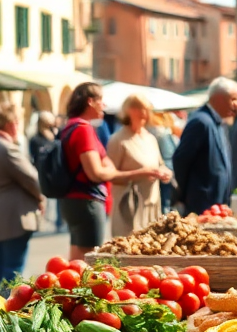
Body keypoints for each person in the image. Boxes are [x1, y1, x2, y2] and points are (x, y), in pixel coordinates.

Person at [59, 83, 164, 259]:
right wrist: (138, 173)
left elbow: (106, 165)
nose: (104, 106)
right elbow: (97, 173)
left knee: (76, 258)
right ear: (91, 102)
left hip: (72, 200)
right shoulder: (84, 129)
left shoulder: (70, 126)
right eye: (101, 101)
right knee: (89, 259)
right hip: (88, 201)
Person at [0, 102, 45, 294]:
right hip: (12, 216)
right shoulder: (6, 147)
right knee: (12, 271)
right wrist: (40, 198)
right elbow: (32, 178)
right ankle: (6, 311)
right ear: (11, 123)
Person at [108, 94, 173, 236]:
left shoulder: (150, 138)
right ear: (127, 110)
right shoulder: (118, 140)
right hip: (129, 207)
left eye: (146, 108)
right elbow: (110, 175)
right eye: (138, 107)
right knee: (128, 251)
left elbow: (160, 164)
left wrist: (165, 172)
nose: (143, 112)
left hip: (152, 203)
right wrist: (141, 173)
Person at [173, 76, 237, 214]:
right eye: (232, 99)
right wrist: (188, 192)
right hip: (202, 204)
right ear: (219, 98)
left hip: (216, 203)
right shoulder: (201, 122)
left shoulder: (218, 122)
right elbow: (181, 159)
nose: (235, 105)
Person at [148, 111, 180, 213]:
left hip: (165, 171)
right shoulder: (164, 134)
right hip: (166, 171)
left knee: (165, 201)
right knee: (165, 201)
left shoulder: (161, 133)